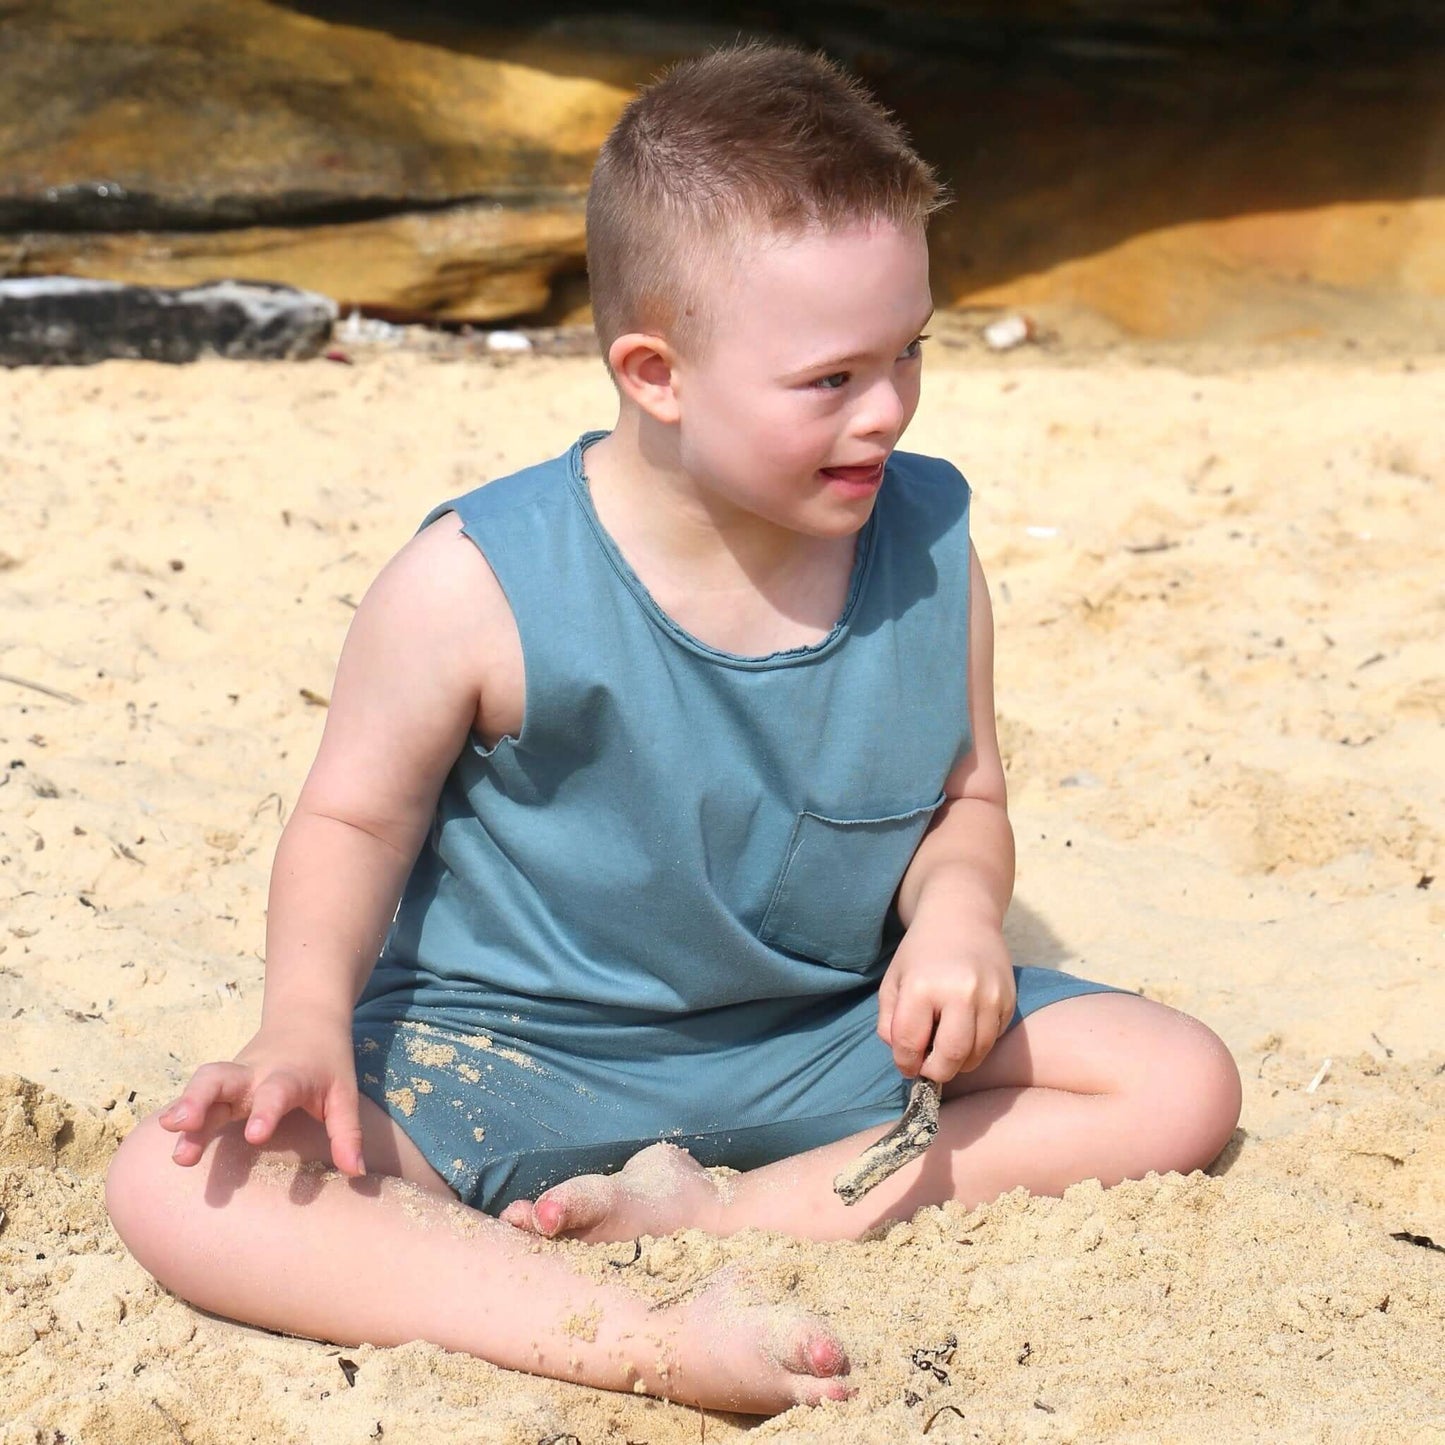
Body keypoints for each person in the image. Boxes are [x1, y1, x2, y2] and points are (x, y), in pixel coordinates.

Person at [105, 42, 1242, 1415]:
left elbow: (966, 798)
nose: (886, 409)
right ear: (654, 372)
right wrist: (298, 1021)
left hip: (820, 1035)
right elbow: (349, 818)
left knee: (1177, 1081)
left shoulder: (929, 547)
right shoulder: (473, 584)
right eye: (830, 379)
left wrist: (953, 920)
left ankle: (721, 1223)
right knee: (182, 1184)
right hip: (498, 1058)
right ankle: (626, 1329)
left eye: (910, 352)